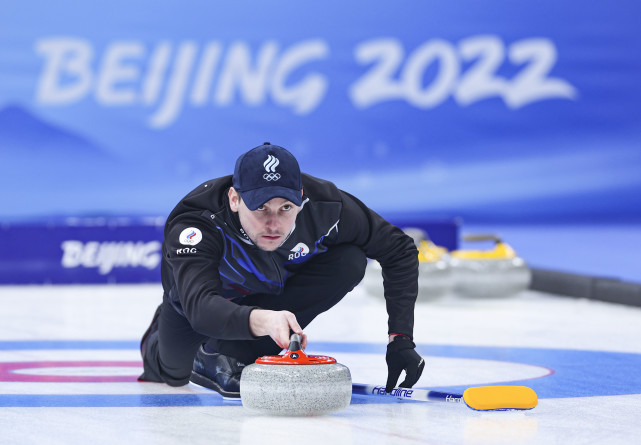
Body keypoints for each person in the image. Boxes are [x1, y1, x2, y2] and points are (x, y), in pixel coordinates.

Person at [139, 142, 425, 398]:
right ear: (234, 199)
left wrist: (400, 338)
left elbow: (399, 249)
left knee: (350, 261)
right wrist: (264, 321)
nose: (273, 223)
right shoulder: (197, 222)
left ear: (301, 197)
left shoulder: (326, 206)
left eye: (286, 207)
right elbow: (199, 307)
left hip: (269, 294)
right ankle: (161, 341)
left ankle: (226, 352)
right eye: (261, 208)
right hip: (198, 305)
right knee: (174, 375)